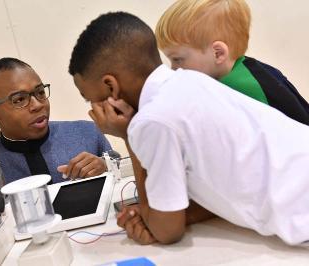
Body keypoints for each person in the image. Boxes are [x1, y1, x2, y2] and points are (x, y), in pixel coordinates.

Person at [68, 11, 309, 246]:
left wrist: (129, 136)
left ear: (111, 87)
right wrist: (161, 216)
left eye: (90, 99)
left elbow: (167, 232)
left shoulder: (153, 120)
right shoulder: (189, 80)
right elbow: (221, 183)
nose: (92, 110)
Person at [0, 57, 113, 252]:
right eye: (19, 99)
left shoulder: (87, 134)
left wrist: (106, 168)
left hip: (96, 249)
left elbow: (127, 184)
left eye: (40, 92)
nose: (37, 105)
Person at [155, 0, 309, 125]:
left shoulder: (236, 90)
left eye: (177, 59)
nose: (174, 68)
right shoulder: (248, 67)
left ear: (218, 53)